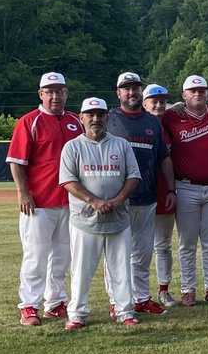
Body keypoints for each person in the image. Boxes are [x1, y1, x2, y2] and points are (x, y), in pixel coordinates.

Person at [58, 97, 142, 329]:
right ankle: (77, 313)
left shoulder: (121, 144)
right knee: (81, 269)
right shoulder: (73, 146)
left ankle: (125, 310)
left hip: (118, 217)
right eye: (90, 114)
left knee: (121, 267)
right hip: (85, 219)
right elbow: (67, 181)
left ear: (107, 117)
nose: (96, 119)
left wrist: (117, 200)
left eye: (100, 114)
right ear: (82, 117)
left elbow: (133, 176)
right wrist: (94, 201)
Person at [6, 72, 81, 326]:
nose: (54, 96)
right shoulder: (29, 121)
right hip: (38, 202)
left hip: (70, 201)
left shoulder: (76, 121)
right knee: (35, 256)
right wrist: (23, 192)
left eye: (59, 91)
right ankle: (29, 305)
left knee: (62, 256)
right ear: (40, 94)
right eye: (49, 91)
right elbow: (17, 162)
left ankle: (55, 302)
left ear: (66, 93)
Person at [105, 71, 173, 316]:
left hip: (147, 196)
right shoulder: (109, 118)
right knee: (116, 254)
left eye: (136, 87)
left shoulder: (152, 121)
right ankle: (116, 301)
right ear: (118, 92)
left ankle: (142, 298)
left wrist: (171, 188)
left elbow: (163, 158)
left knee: (142, 254)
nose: (132, 92)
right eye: (127, 88)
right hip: (118, 198)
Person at [161, 74, 208, 306]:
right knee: (187, 243)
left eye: (202, 90)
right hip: (186, 186)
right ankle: (188, 290)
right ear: (184, 95)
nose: (198, 94)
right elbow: (150, 109)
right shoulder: (172, 115)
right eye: (193, 91)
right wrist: (172, 106)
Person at [142, 84, 183, 307]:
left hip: (165, 192)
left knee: (163, 245)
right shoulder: (135, 125)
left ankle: (163, 289)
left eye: (162, 101)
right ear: (144, 103)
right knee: (138, 247)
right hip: (140, 194)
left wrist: (171, 189)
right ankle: (137, 291)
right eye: (153, 101)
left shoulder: (168, 127)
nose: (158, 105)